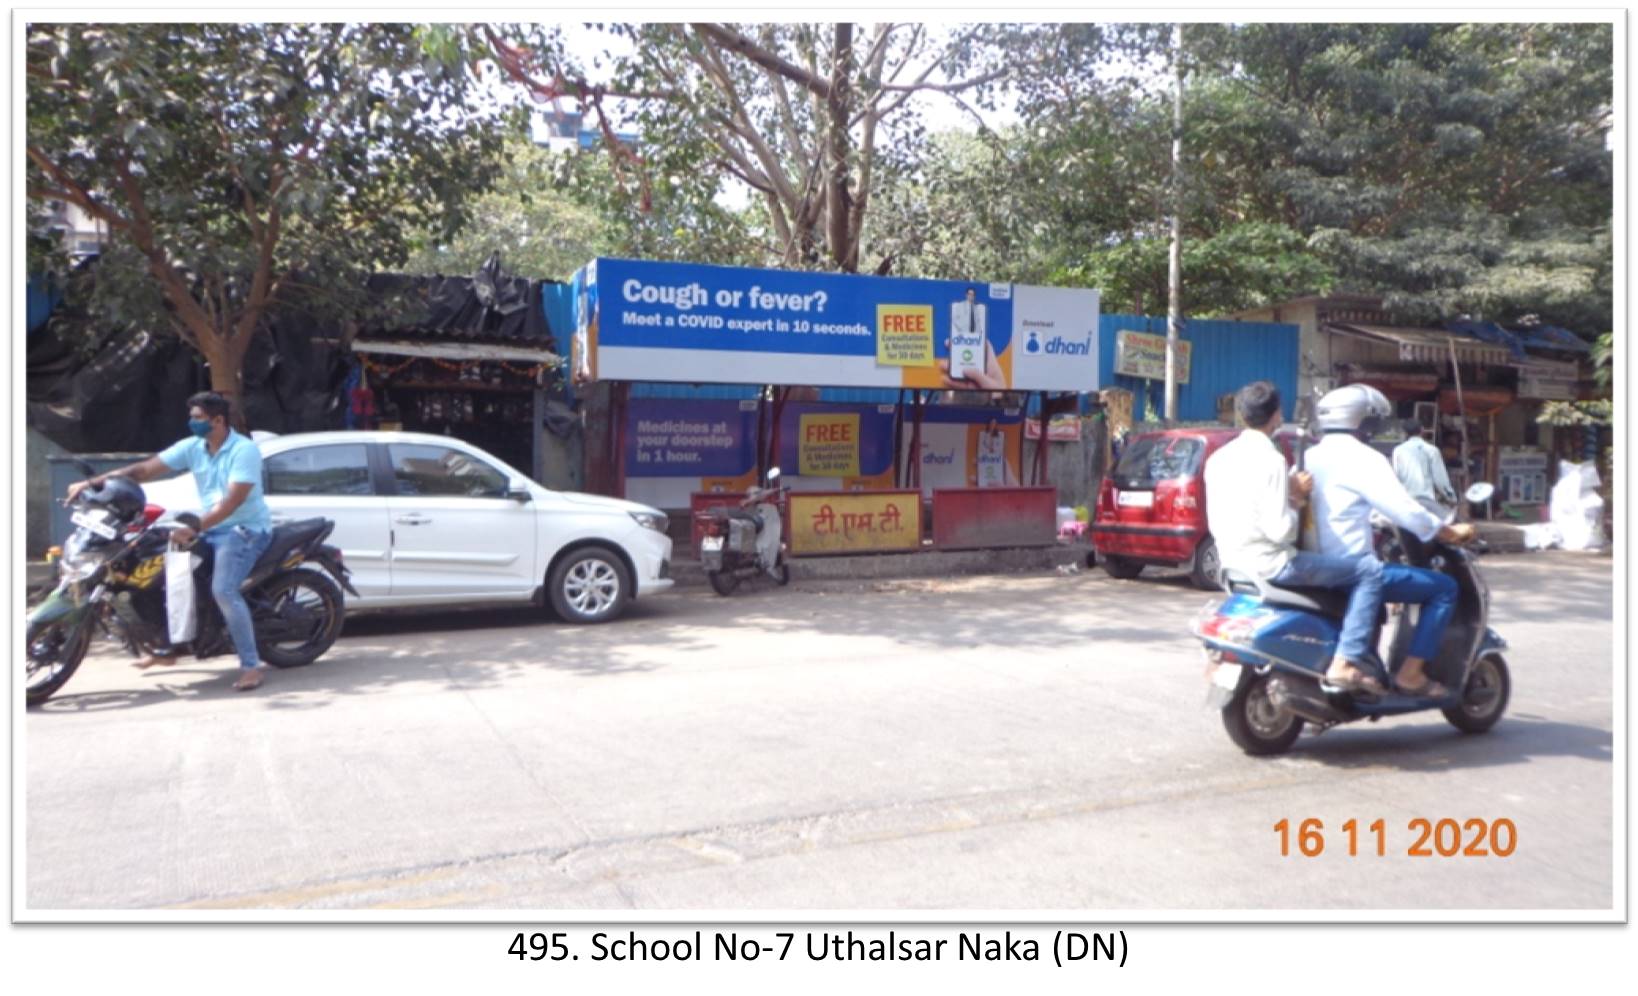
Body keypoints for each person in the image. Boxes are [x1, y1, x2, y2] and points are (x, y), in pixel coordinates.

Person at [64, 392, 274, 691]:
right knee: (153, 574)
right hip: (207, 526)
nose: (192, 423)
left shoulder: (244, 451)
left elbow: (231, 502)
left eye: (198, 418)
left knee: (223, 590)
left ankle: (251, 666)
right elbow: (143, 470)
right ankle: (169, 647)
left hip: (242, 530)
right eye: (192, 417)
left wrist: (194, 527)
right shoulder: (193, 447)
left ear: (218, 420)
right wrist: (94, 483)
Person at [1204, 381, 1388, 695]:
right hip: (1273, 564)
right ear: (1277, 415)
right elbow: (1281, 531)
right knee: (1370, 572)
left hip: (1231, 562)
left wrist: (1287, 492)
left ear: (1241, 415)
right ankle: (1345, 661)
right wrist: (1297, 498)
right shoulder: (1271, 460)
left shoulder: (1218, 459)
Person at [1306, 385, 1476, 698]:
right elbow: (1406, 510)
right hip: (1352, 567)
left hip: (1317, 566)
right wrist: (1448, 532)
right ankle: (1411, 674)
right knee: (1444, 589)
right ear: (1364, 422)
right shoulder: (1364, 458)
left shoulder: (1309, 455)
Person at [1393, 418, 1457, 520]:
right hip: (1426, 502)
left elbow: (1396, 477)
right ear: (1422, 430)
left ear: (1405, 433)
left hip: (1405, 502)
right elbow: (1441, 480)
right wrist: (1451, 498)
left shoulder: (1398, 450)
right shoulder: (1431, 450)